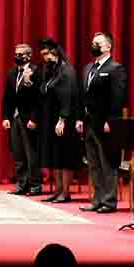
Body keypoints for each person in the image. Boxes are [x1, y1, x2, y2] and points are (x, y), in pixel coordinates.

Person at [77, 32, 128, 213]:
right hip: (89, 122)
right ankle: (97, 199)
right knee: (93, 163)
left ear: (108, 46)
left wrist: (111, 121)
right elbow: (83, 96)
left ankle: (109, 201)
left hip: (105, 123)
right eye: (92, 42)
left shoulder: (116, 68)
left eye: (97, 43)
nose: (94, 45)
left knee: (107, 162)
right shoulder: (89, 68)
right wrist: (79, 119)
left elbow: (118, 97)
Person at [36, 38, 82, 202]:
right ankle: (58, 190)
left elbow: (67, 97)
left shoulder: (66, 70)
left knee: (64, 157)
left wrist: (62, 119)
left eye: (48, 54)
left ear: (56, 53)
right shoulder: (51, 71)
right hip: (50, 118)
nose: (45, 58)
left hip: (64, 120)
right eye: (43, 55)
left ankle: (65, 192)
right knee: (54, 156)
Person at [2, 43, 43, 194]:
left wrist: (34, 118)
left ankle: (35, 185)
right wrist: (6, 116)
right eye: (16, 53)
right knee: (18, 153)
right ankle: (21, 184)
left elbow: (39, 98)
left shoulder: (36, 71)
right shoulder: (12, 73)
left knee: (31, 153)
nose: (17, 56)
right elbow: (7, 97)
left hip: (29, 118)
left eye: (21, 54)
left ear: (29, 56)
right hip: (15, 118)